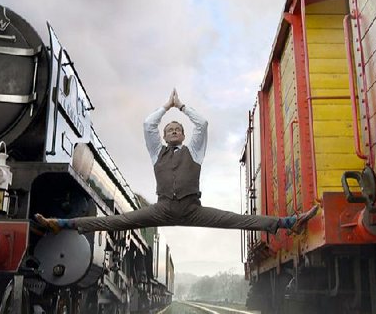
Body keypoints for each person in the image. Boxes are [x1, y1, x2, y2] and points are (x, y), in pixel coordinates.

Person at [35, 89, 319, 234]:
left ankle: (290, 222)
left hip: (192, 208)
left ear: (183, 134)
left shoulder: (193, 150)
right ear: (164, 135)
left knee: (239, 220)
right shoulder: (156, 150)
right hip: (161, 209)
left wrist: (181, 106)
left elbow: (203, 123)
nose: (172, 131)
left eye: (177, 129)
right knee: (114, 221)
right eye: (169, 129)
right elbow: (148, 124)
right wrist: (166, 107)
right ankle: (60, 223)